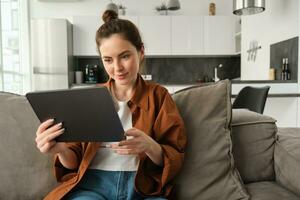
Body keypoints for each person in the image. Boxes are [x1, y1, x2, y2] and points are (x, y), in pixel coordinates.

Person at [35, 9, 187, 200]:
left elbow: (176, 156)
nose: (117, 68)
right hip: (93, 187)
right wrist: (60, 150)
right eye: (108, 59)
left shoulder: (159, 96)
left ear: (140, 52)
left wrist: (150, 146)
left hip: (142, 188)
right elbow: (73, 163)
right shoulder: (89, 98)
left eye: (125, 56)